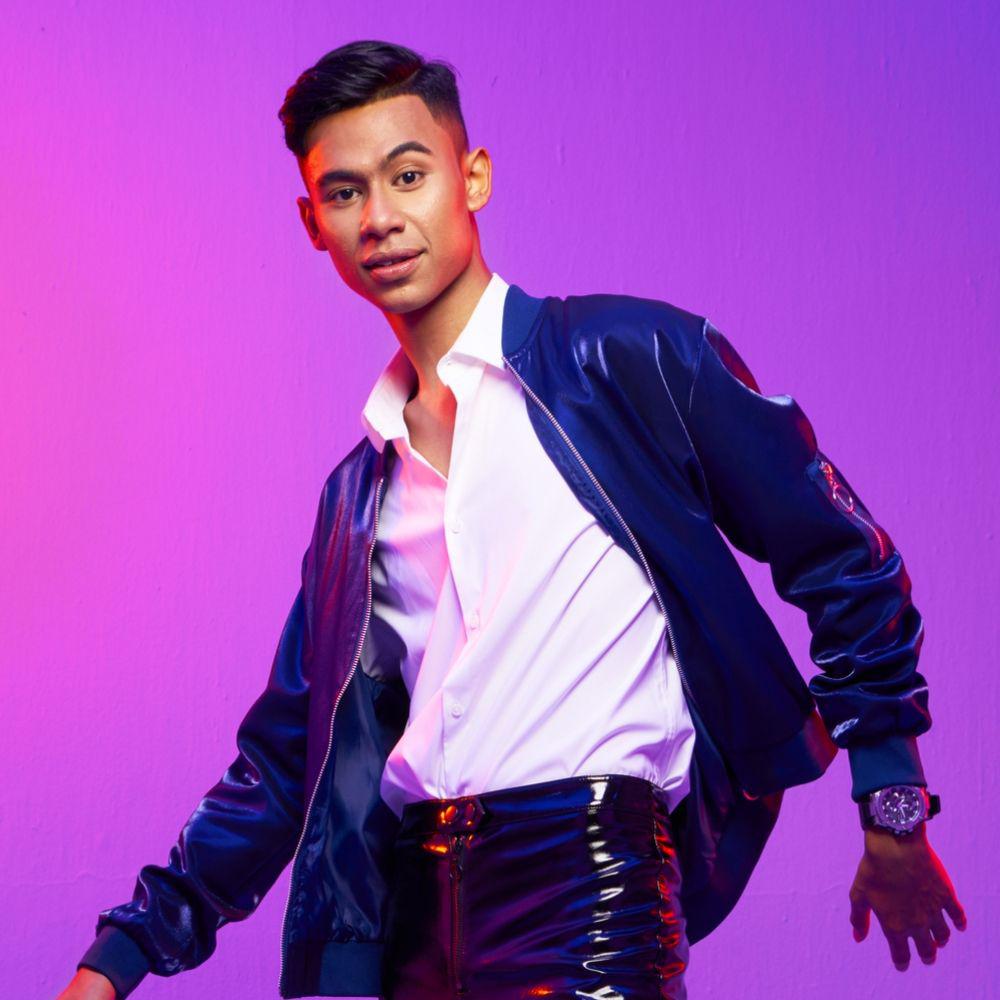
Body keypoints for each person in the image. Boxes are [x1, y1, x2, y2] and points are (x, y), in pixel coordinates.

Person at [59, 38, 967, 1000]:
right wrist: (119, 958)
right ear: (312, 223)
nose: (381, 218)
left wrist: (892, 800)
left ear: (473, 178)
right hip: (406, 924)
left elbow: (841, 555)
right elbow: (289, 759)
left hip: (590, 895)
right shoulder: (357, 497)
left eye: (409, 175)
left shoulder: (627, 359)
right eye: (345, 192)